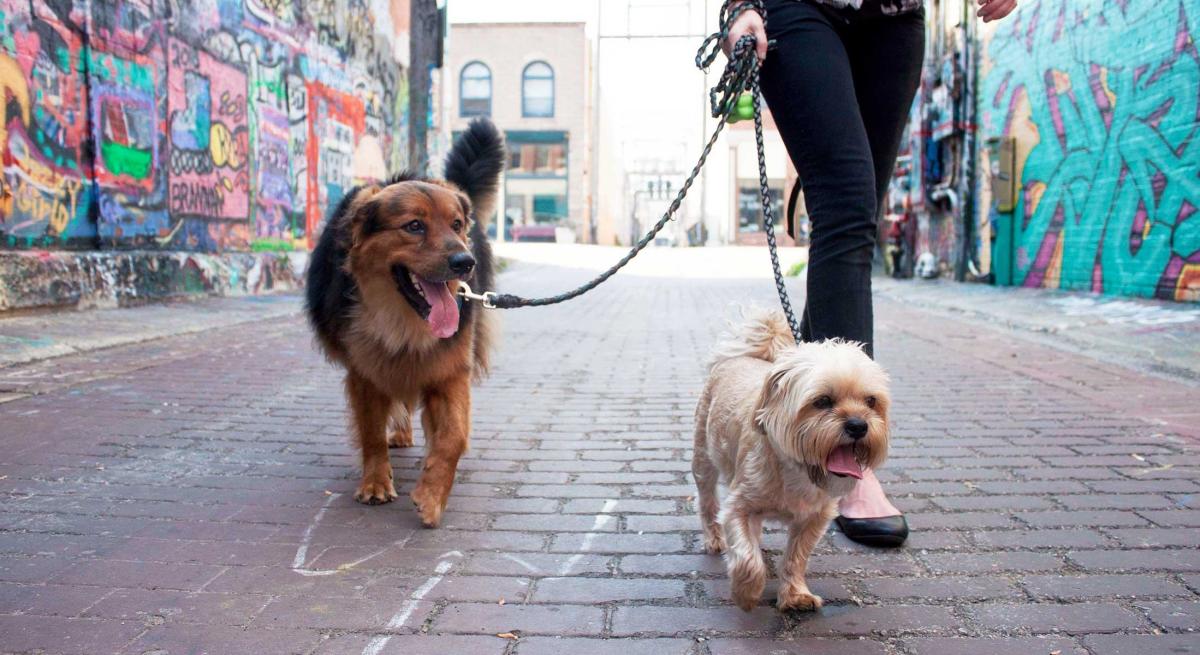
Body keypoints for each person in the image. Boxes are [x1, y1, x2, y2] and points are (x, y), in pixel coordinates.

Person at [724, 0, 1016, 547]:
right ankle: (847, 463)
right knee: (847, 205)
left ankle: (796, 427)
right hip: (800, 8)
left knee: (860, 216)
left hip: (895, 17)